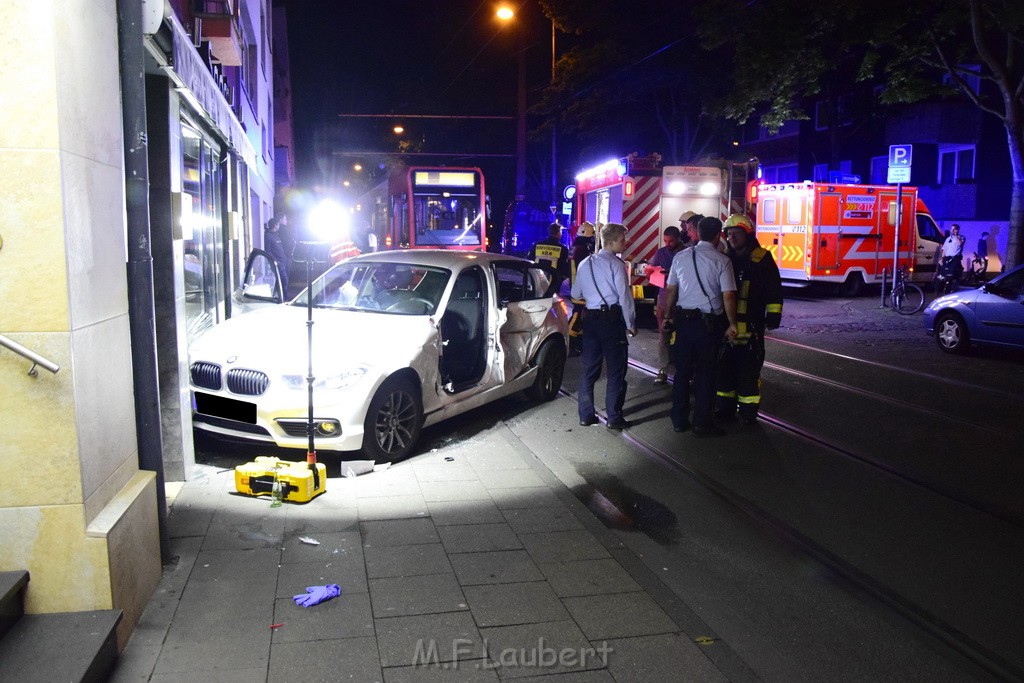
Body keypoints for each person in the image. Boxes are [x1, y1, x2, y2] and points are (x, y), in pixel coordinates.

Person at [662, 216, 738, 438]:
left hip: (684, 323)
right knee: (706, 374)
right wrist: (732, 323)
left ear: (696, 232)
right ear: (718, 236)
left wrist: (668, 316)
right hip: (708, 326)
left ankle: (678, 419)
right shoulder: (722, 261)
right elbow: (729, 297)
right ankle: (702, 423)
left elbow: (671, 290)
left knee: (682, 373)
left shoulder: (681, 257)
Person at [715, 213, 783, 426]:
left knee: (748, 370)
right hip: (728, 325)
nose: (731, 238)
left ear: (747, 234)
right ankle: (725, 408)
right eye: (728, 234)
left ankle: (747, 412)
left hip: (752, 324)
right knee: (724, 368)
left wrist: (773, 315)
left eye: (736, 234)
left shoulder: (762, 258)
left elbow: (774, 289)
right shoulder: (726, 258)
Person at [571, 222, 637, 431]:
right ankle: (614, 417)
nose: (625, 243)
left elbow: (574, 294)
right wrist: (631, 324)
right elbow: (625, 297)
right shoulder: (616, 265)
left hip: (591, 321)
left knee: (589, 369)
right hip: (611, 321)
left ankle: (586, 415)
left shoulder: (584, 264)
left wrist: (592, 297)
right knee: (616, 370)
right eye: (622, 240)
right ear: (612, 241)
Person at [649, 225, 685, 384]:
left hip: (682, 300)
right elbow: (652, 268)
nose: (667, 244)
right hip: (664, 299)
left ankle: (684, 371)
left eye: (670, 241)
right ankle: (662, 369)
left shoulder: (686, 253)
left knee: (683, 337)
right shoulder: (660, 253)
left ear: (678, 238)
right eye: (665, 241)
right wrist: (650, 271)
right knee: (663, 336)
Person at [530, 222, 570, 293]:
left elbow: (530, 261)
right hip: (554, 283)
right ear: (558, 233)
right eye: (561, 232)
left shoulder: (537, 246)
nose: (561, 234)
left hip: (537, 280)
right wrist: (561, 278)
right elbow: (565, 268)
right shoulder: (562, 249)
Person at [264, 217, 290, 296]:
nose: (279, 226)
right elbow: (268, 251)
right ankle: (284, 299)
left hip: (282, 262)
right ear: (275, 225)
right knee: (284, 281)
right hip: (278, 264)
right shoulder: (268, 236)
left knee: (280, 282)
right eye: (278, 225)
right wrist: (276, 262)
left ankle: (277, 297)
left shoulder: (275, 235)